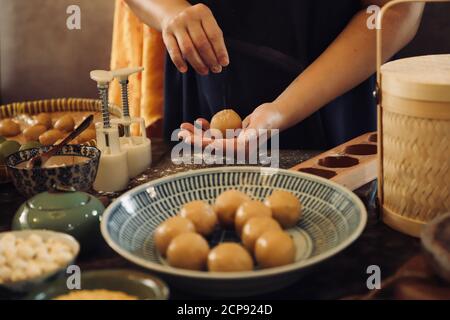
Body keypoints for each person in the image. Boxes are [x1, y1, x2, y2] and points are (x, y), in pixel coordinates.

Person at [125, 0, 424, 149]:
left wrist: (281, 111)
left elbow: (396, 11)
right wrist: (170, 12)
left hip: (335, 91)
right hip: (202, 86)